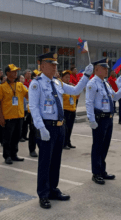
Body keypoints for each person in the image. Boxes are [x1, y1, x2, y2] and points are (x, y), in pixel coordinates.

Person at [29, 52, 93, 209]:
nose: (54, 67)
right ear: (42, 66)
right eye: (51, 65)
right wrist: (41, 127)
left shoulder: (58, 83)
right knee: (45, 162)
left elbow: (76, 89)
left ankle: (53, 189)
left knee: (56, 161)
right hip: (46, 126)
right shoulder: (36, 83)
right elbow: (33, 107)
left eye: (55, 65)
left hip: (59, 126)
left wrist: (85, 75)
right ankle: (43, 194)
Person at [86, 59, 121, 185]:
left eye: (107, 68)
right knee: (98, 146)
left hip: (108, 118)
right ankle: (96, 173)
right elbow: (89, 102)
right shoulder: (92, 83)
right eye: (104, 68)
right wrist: (91, 119)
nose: (107, 70)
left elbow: (115, 97)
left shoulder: (105, 83)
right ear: (96, 70)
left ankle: (102, 170)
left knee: (105, 146)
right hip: (99, 118)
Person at [0, 64, 29, 165]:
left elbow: (28, 95)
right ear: (7, 73)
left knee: (17, 136)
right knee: (7, 138)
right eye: (13, 71)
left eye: (16, 71)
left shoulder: (19, 85)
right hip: (8, 117)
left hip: (19, 116)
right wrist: (0, 116)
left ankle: (14, 154)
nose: (15, 73)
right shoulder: (2, 87)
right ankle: (7, 156)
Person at [61, 70, 78, 150]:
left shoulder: (71, 86)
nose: (68, 79)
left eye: (69, 77)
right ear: (62, 78)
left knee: (70, 128)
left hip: (72, 110)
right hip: (65, 110)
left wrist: (75, 88)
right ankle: (64, 143)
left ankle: (68, 142)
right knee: (65, 128)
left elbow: (77, 96)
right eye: (66, 77)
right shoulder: (61, 87)